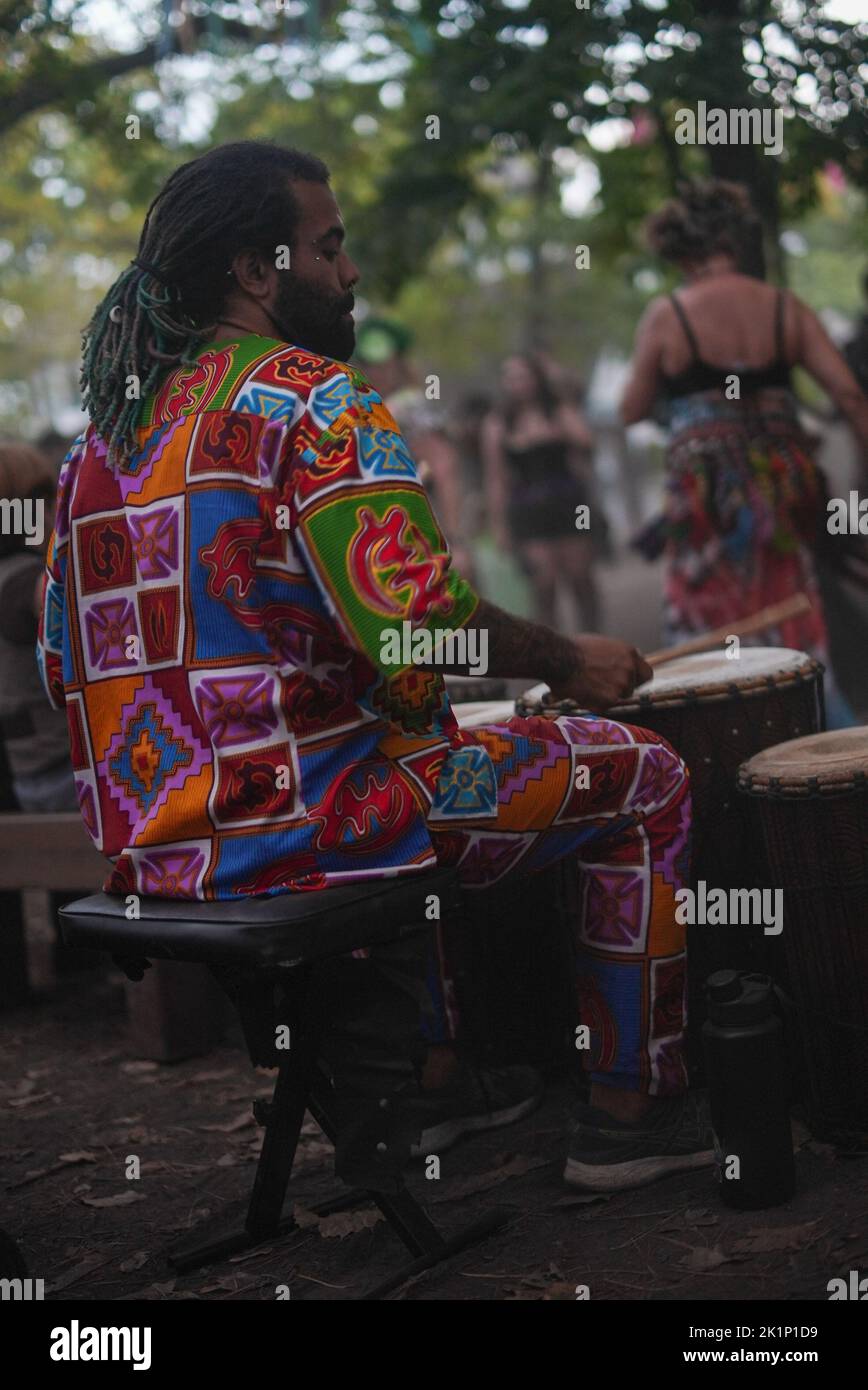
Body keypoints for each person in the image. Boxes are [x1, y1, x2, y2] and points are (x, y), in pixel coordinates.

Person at [38, 140, 711, 1192]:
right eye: (329, 245)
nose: (349, 274)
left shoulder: (98, 449)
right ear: (258, 272)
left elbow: (61, 658)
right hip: (313, 831)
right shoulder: (313, 400)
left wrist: (402, 701)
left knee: (417, 748)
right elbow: (413, 628)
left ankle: (438, 1083)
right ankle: (634, 1112)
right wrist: (565, 658)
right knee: (642, 776)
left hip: (160, 851)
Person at [621, 179, 868, 727]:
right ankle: (820, 739)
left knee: (705, 627)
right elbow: (849, 395)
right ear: (732, 241)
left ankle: (723, 740)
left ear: (681, 253)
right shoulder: (783, 307)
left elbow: (630, 409)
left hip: (705, 503)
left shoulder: (668, 314)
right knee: (793, 621)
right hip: (783, 497)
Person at [482, 353, 601, 630]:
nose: (516, 383)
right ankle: (554, 652)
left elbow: (586, 441)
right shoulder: (499, 422)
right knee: (543, 581)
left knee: (579, 575)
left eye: (522, 376)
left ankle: (594, 639)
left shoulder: (558, 410)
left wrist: (559, 396)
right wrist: (499, 525)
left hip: (569, 504)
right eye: (509, 377)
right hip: (528, 507)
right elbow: (495, 477)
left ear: (536, 379)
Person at [352, 315, 474, 580]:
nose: (376, 371)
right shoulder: (360, 408)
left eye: (383, 364)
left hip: (421, 532)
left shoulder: (412, 407)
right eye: (368, 364)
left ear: (399, 364)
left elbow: (444, 470)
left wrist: (455, 541)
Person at [0, 442, 78, 814]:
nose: (53, 514)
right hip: (64, 774)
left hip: (30, 777)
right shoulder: (22, 583)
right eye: (45, 502)